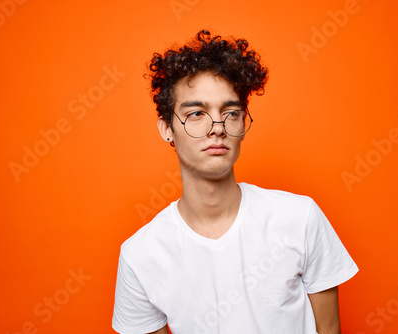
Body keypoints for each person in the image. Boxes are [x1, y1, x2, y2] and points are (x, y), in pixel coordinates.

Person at [112, 30, 358, 334]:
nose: (217, 127)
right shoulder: (140, 255)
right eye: (197, 113)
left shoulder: (300, 218)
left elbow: (330, 330)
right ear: (166, 129)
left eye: (230, 112)